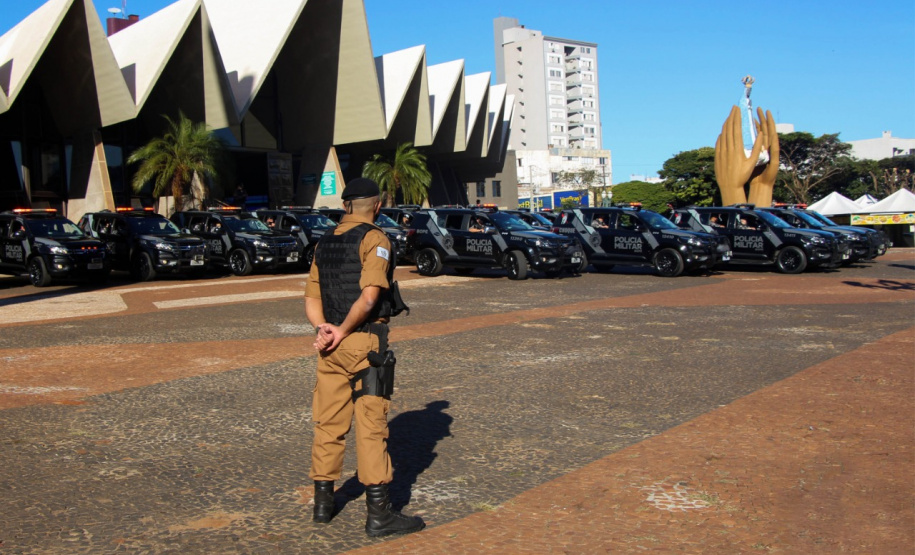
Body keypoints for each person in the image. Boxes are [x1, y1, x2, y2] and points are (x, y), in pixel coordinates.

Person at [303, 178, 424, 537]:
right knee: (371, 427)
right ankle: (379, 516)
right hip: (363, 343)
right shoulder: (375, 239)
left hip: (330, 348)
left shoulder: (324, 243)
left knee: (328, 423)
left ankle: (323, 506)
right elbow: (370, 298)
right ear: (377, 206)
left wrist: (325, 329)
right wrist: (343, 330)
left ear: (345, 207)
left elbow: (311, 298)